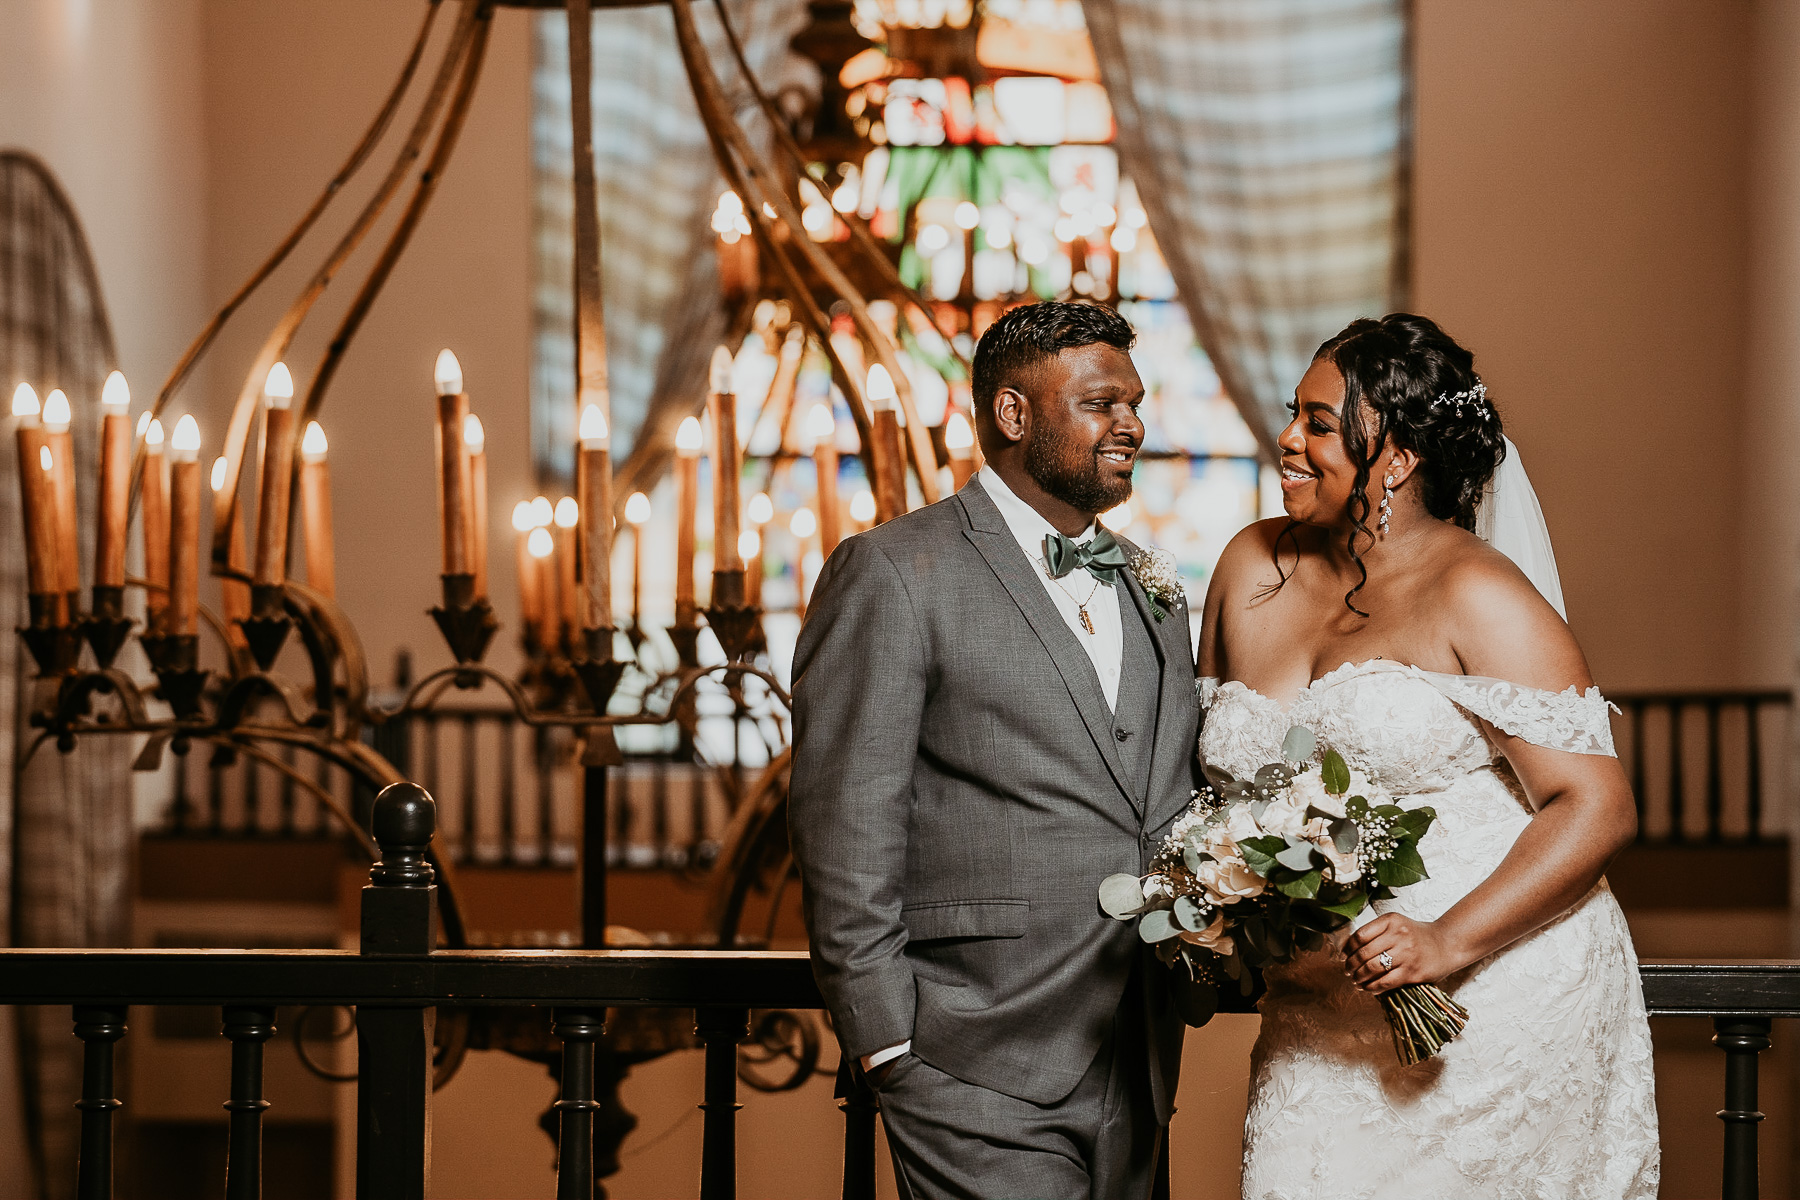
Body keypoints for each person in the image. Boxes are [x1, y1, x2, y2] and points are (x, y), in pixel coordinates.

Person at [1197, 313, 1659, 1198]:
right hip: (1314, 1007)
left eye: (1320, 425)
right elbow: (1211, 787)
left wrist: (1446, 939)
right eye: (1294, 414)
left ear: (1397, 458)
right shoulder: (1250, 564)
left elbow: (1596, 804)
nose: (1289, 440)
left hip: (1489, 999)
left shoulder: (1477, 591)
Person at [789, 301, 1201, 1200]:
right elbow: (844, 817)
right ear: (1014, 416)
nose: (1131, 423)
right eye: (1100, 403)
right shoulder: (895, 571)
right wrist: (887, 1040)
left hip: (1135, 1050)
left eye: (1134, 402)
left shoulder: (1153, 587)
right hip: (970, 1050)